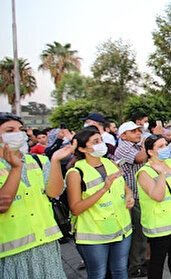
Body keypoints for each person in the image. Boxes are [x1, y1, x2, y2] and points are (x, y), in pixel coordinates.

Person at [0, 114, 72, 278]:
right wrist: (16, 169)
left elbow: (54, 193)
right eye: (10, 130)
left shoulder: (39, 161)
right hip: (12, 252)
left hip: (45, 244)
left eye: (21, 130)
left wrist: (54, 161)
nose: (18, 134)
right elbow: (2, 206)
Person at [66, 126, 134, 279]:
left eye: (101, 140)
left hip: (122, 229)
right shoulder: (76, 173)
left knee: (120, 270)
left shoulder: (110, 163)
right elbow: (76, 209)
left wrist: (129, 197)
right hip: (94, 234)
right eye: (95, 141)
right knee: (98, 274)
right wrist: (104, 189)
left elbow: (125, 189)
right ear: (83, 148)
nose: (101, 144)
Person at [136, 135, 171, 279]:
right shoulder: (144, 172)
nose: (165, 149)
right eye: (160, 146)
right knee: (157, 260)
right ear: (150, 152)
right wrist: (161, 173)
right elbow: (158, 196)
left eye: (165, 145)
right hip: (159, 224)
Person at [114, 121, 149, 277]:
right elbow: (141, 157)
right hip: (132, 196)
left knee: (142, 231)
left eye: (139, 131)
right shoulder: (124, 147)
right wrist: (145, 144)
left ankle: (140, 260)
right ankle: (136, 265)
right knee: (138, 232)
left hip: (141, 194)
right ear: (123, 135)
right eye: (133, 131)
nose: (138, 133)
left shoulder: (133, 146)